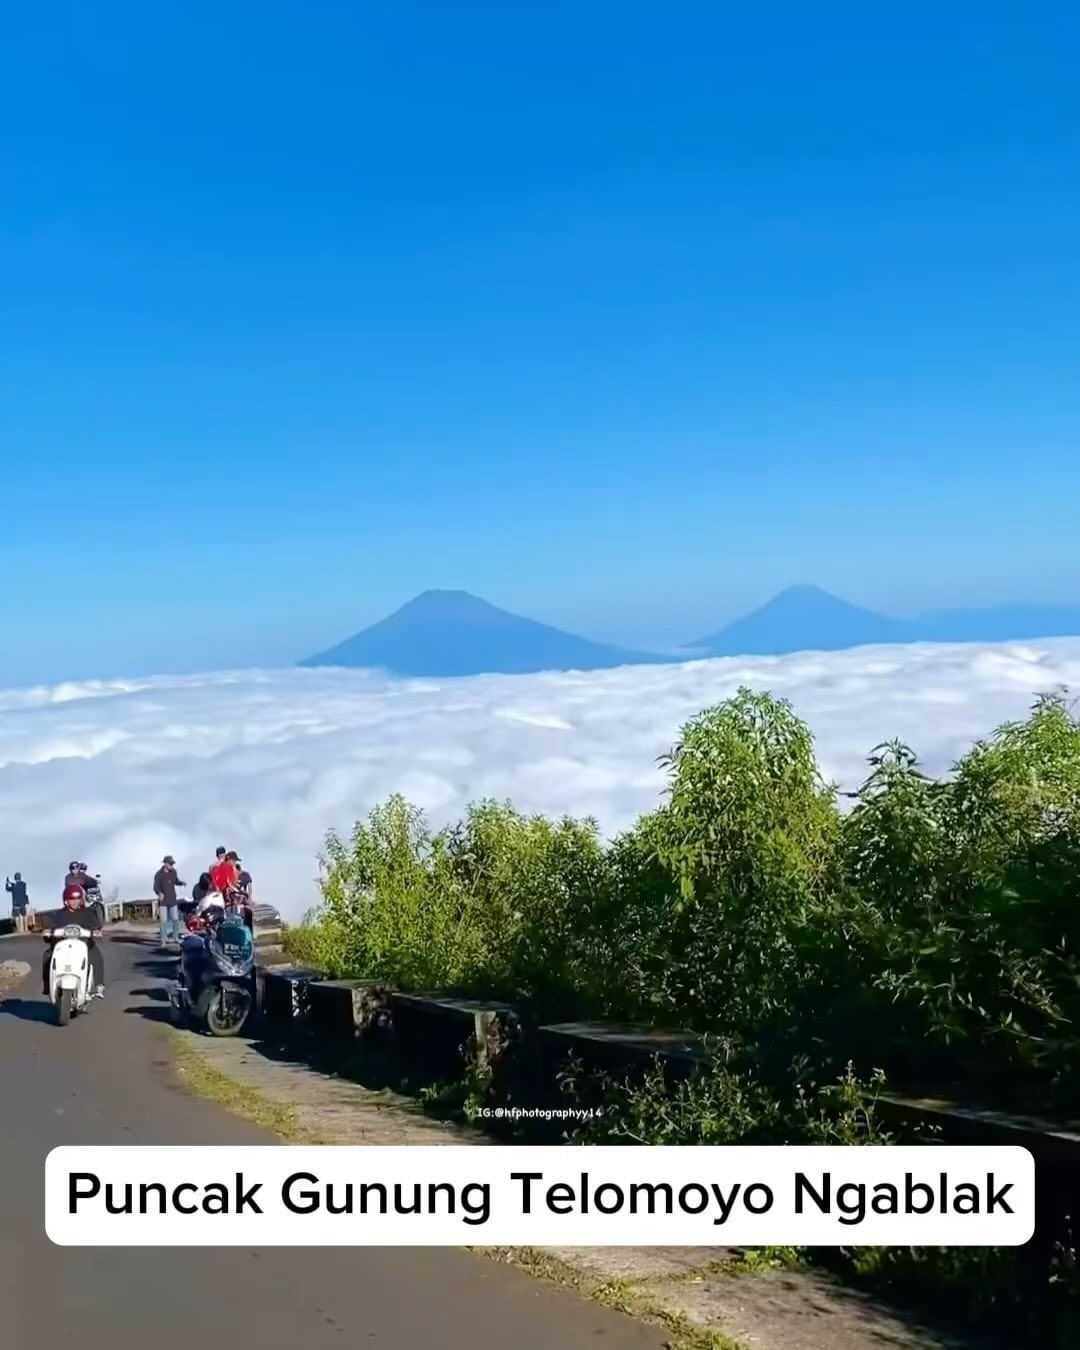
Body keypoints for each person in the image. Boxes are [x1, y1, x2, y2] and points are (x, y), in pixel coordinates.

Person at [41, 882, 105, 998]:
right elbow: (50, 928)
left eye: (77, 899)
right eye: (72, 899)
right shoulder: (59, 914)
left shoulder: (88, 913)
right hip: (62, 946)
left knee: (95, 954)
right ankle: (47, 985)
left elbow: (95, 926)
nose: (75, 902)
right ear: (66, 900)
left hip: (83, 944)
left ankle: (99, 985)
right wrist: (48, 933)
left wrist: (95, 931)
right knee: (47, 956)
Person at [153, 855, 186, 947]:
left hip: (172, 900)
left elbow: (176, 881)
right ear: (165, 863)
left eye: (173, 864)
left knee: (175, 920)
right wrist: (159, 893)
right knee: (163, 921)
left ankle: (175, 938)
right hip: (163, 901)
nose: (172, 865)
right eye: (170, 864)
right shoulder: (159, 874)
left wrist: (181, 883)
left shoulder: (174, 872)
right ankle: (163, 940)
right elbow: (155, 887)